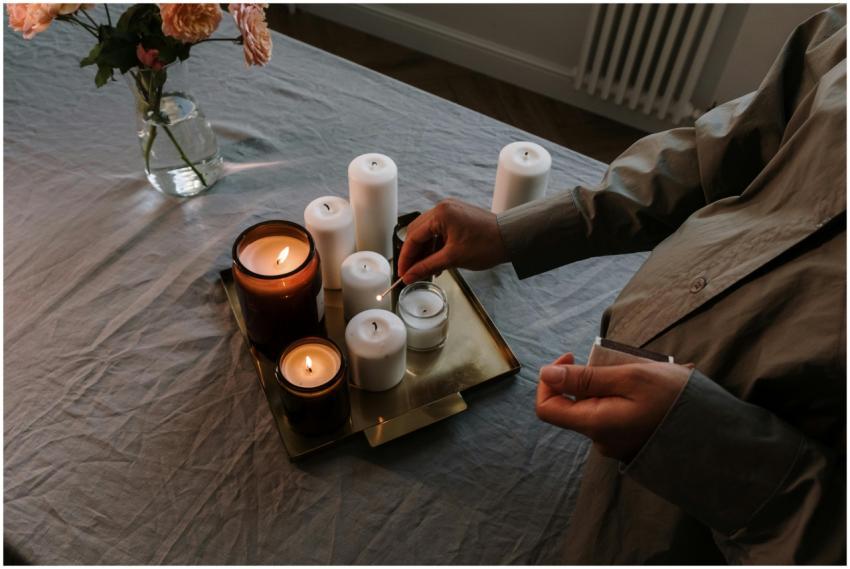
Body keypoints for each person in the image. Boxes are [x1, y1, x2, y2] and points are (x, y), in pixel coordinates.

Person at [396, 6, 846, 564]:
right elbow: (726, 149)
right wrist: (517, 230)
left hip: (712, 526)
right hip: (632, 430)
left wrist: (707, 445)